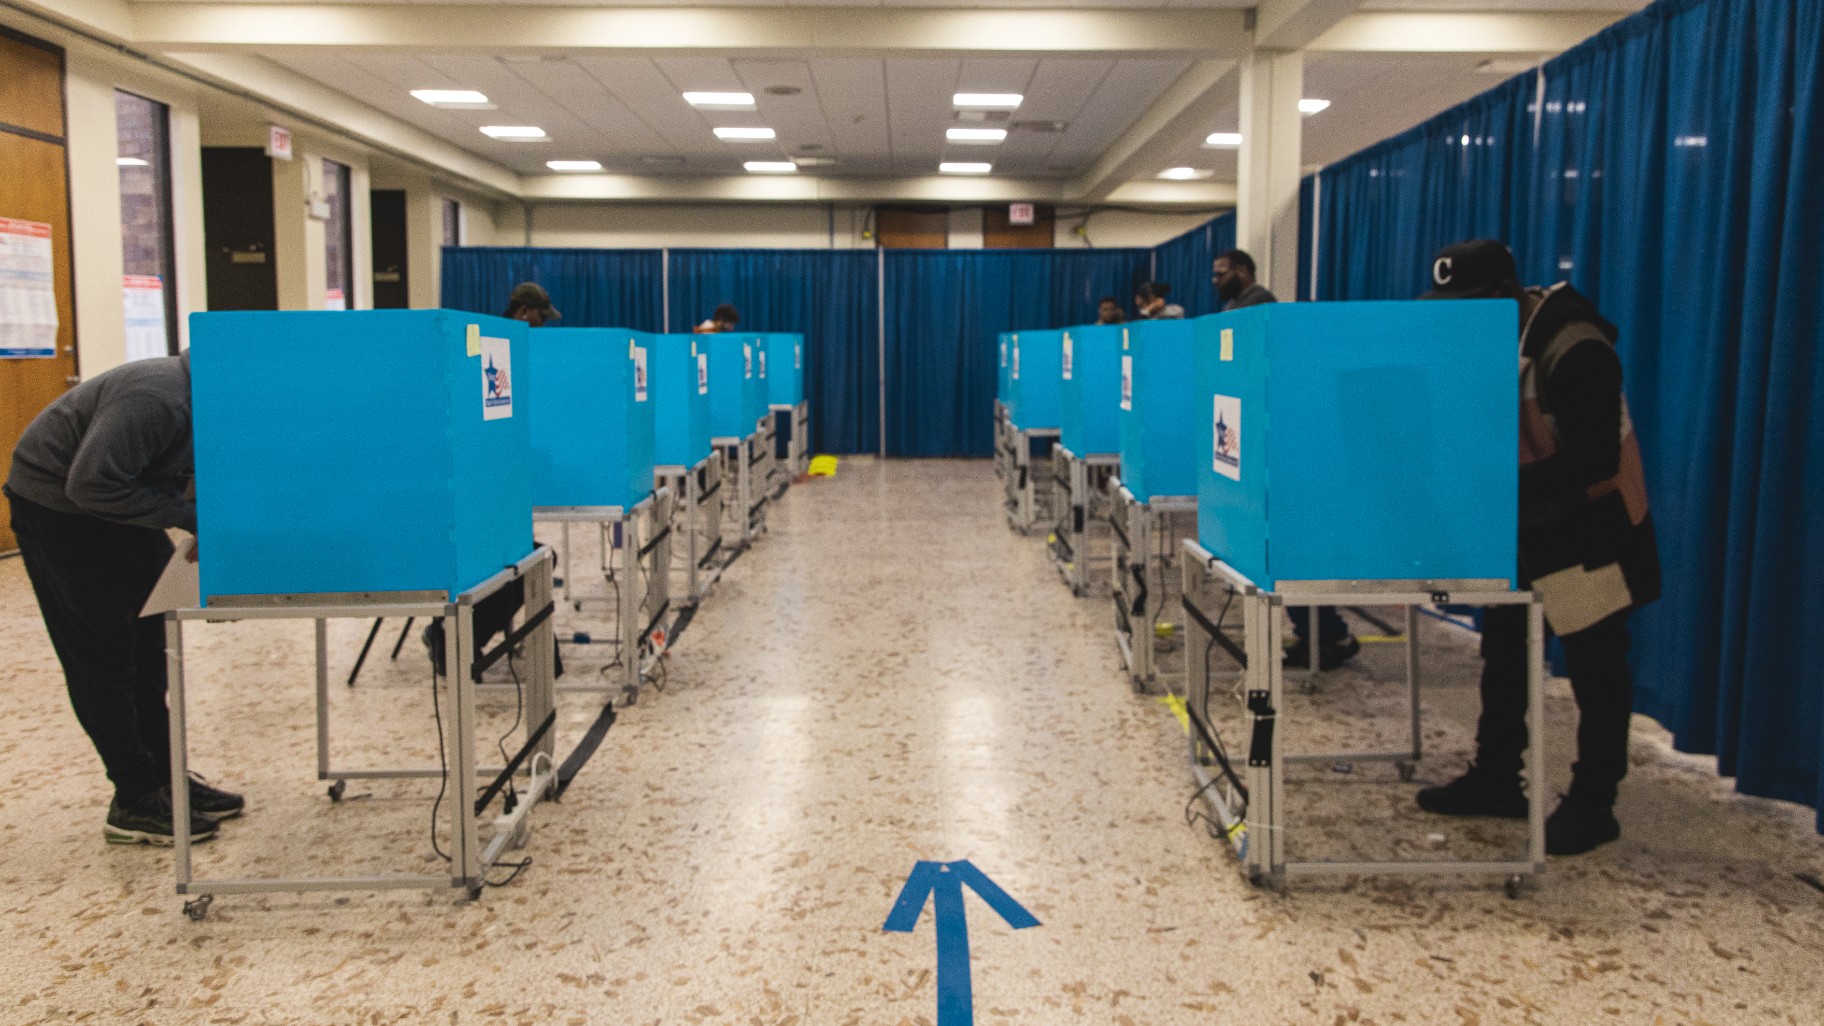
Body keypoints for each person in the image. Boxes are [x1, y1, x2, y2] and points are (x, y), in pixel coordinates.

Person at [1415, 238, 1660, 856]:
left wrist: (1492, 490)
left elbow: (1594, 460)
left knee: (1596, 668)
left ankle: (1593, 803)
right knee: (1504, 653)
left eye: (1467, 307)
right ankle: (1498, 777)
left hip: (1591, 530)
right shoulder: (1495, 339)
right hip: (1527, 528)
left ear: (1504, 297)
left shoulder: (1577, 349)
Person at [5, 352, 242, 845]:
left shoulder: (206, 398)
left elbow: (184, 466)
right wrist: (183, 516)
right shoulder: (157, 398)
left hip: (115, 498)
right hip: (60, 508)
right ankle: (134, 797)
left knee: (150, 643)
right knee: (104, 654)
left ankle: (167, 780)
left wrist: (194, 510)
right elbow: (90, 483)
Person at [1214, 249, 1358, 669]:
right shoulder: (1240, 310)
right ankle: (1321, 634)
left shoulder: (1258, 309)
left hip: (1282, 452)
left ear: (1244, 271)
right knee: (1285, 552)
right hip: (1266, 451)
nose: (1215, 281)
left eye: (1221, 273)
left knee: (1292, 549)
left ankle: (1328, 636)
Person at [1213, 249, 1278, 310]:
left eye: (1221, 274)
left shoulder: (1261, 299)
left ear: (1242, 271)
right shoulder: (1231, 304)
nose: (1214, 280)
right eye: (1215, 275)